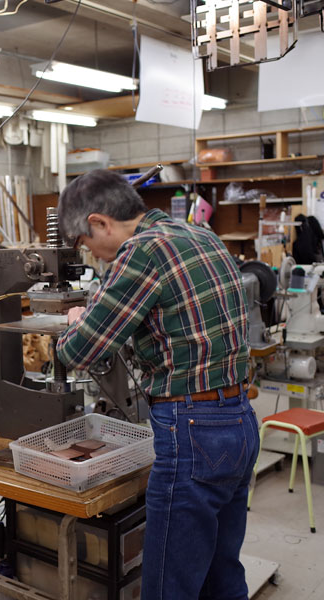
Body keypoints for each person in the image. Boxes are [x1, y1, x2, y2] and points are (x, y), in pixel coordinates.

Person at [54, 170, 258, 600]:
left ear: (99, 223)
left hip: (192, 433)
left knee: (169, 587)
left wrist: (75, 320)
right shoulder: (201, 234)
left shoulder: (142, 252)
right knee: (223, 576)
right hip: (240, 421)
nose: (93, 256)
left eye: (86, 244)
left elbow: (80, 352)